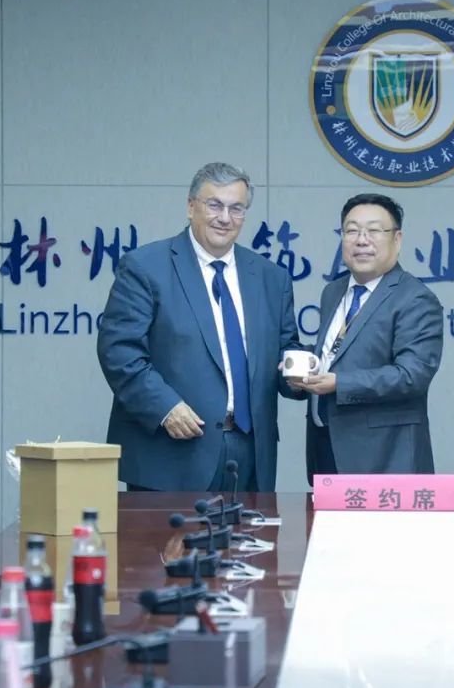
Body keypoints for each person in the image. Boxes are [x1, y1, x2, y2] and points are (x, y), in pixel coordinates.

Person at [97, 162, 302, 492]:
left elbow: (285, 349)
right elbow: (119, 351)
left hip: (249, 454)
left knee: (249, 530)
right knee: (167, 532)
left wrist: (300, 373)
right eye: (214, 205)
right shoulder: (145, 267)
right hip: (171, 452)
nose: (225, 218)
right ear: (191, 206)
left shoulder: (270, 277)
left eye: (236, 208)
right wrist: (164, 408)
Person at [289, 193, 444, 482]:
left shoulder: (415, 298)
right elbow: (338, 352)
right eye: (351, 231)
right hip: (327, 448)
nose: (361, 240)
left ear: (397, 239)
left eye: (373, 231)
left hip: (384, 458)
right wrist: (305, 363)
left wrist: (340, 383)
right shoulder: (333, 291)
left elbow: (412, 375)